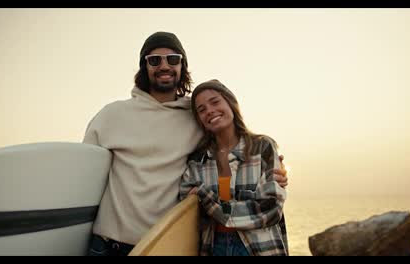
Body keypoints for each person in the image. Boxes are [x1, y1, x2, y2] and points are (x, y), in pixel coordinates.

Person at [83, 31, 289, 256]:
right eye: (154, 60)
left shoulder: (194, 116)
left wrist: (275, 171)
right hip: (109, 245)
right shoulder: (112, 115)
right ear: (144, 68)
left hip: (166, 246)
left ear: (182, 66)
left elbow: (233, 142)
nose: (164, 65)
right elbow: (84, 175)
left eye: (173, 59)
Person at [179, 79, 289, 256]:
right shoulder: (197, 160)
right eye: (202, 109)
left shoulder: (262, 147)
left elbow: (270, 209)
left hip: (259, 247)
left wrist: (206, 198)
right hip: (215, 248)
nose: (210, 111)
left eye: (215, 102)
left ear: (230, 103)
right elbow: (186, 209)